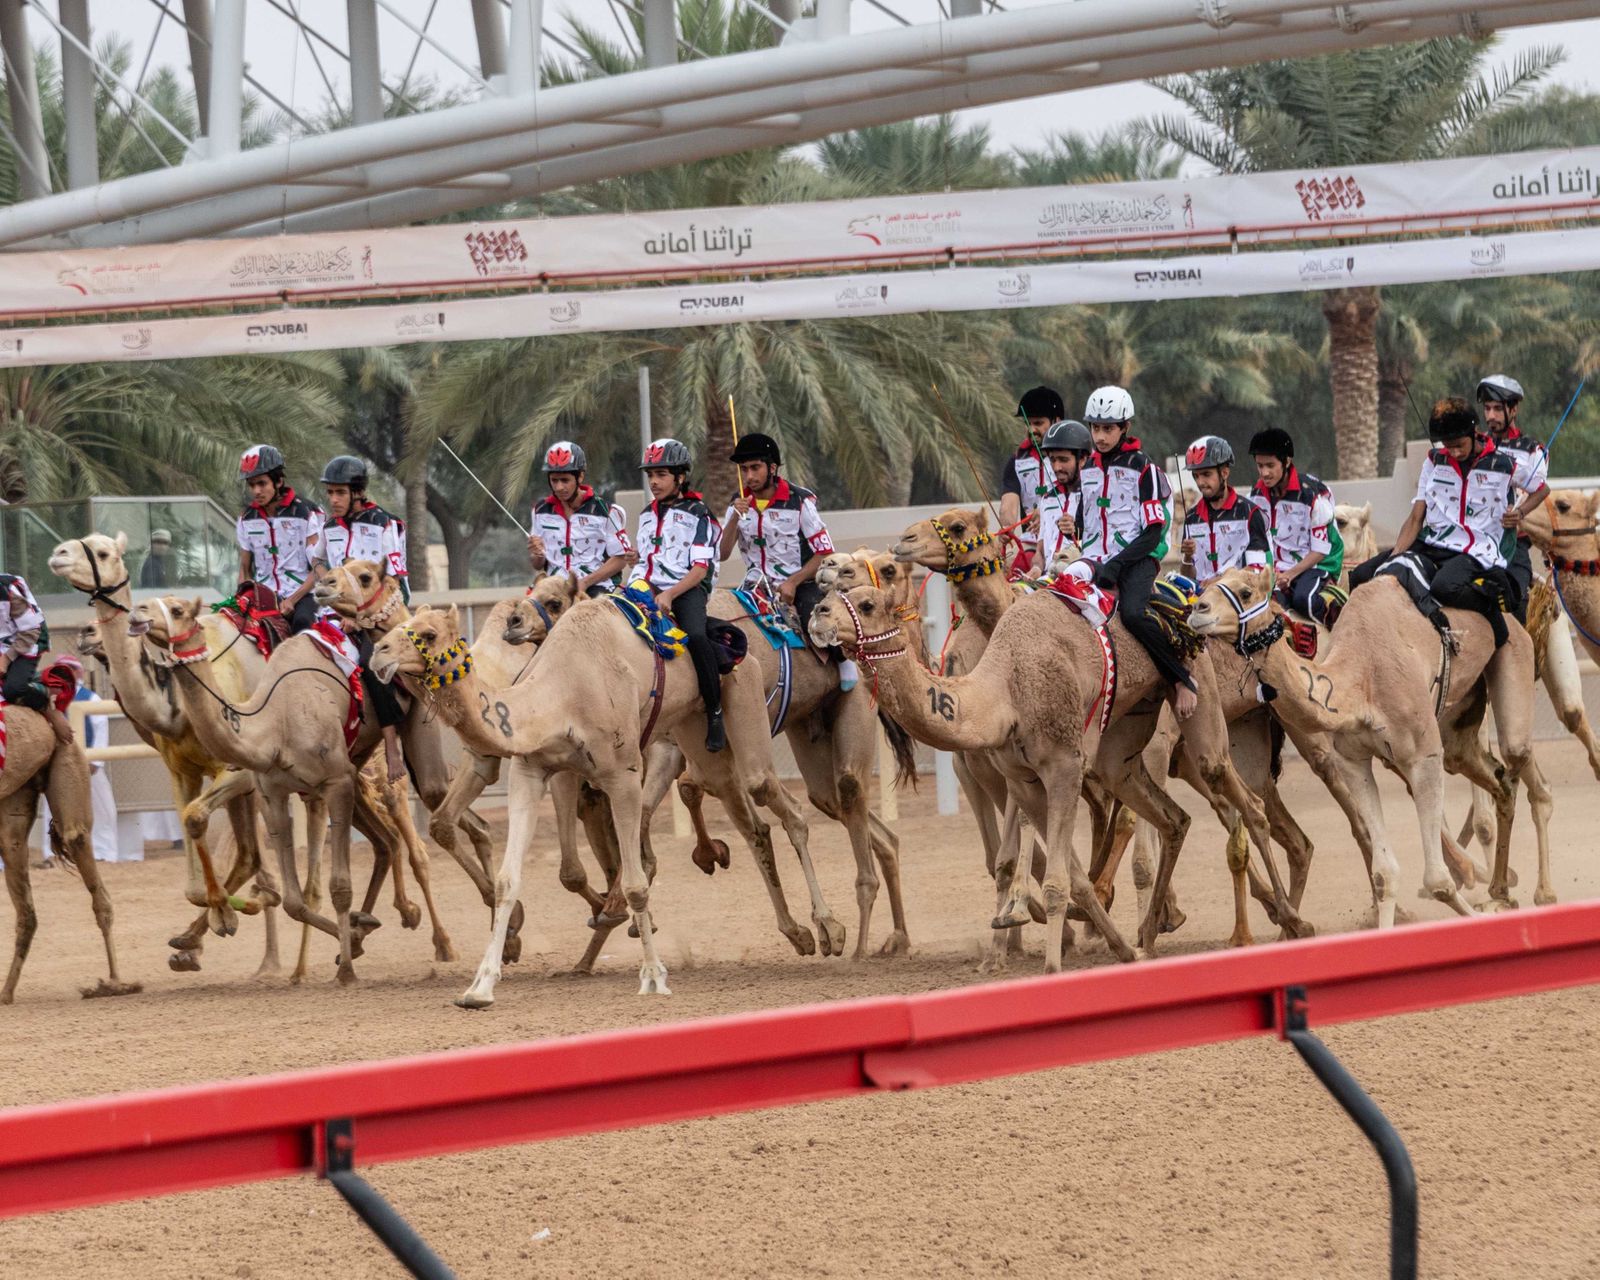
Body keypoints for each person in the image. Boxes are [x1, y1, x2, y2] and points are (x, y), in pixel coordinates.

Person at [1349, 397, 1519, 647]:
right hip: (1434, 543)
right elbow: (1417, 517)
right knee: (1361, 575)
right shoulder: (1433, 461)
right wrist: (1395, 555)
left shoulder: (1503, 465)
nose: (1454, 452)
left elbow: (1539, 490)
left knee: (1444, 588)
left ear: (1474, 433)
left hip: (1474, 550)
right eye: (1448, 446)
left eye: (1459, 445)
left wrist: (1520, 513)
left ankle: (1489, 604)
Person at [1078, 386, 1196, 718]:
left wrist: (1118, 564)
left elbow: (1154, 531)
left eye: (1108, 429)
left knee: (1131, 613)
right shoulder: (1087, 468)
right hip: (1096, 559)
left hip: (1138, 557)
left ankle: (1180, 677)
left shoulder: (1143, 469)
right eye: (1095, 428)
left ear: (1125, 427)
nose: (1100, 436)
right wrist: (1070, 525)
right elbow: (1089, 518)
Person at [718, 432, 859, 691]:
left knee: (816, 615)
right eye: (744, 469)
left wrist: (793, 582)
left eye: (755, 468)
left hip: (799, 583)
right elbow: (722, 553)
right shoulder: (737, 503)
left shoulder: (800, 501)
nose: (749, 476)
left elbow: (824, 552)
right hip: (753, 586)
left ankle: (843, 661)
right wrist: (734, 519)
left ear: (772, 468)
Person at [313, 454, 410, 782]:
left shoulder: (383, 523)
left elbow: (396, 579)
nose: (333, 500)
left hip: (373, 619)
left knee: (372, 666)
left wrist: (360, 616)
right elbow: (317, 562)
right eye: (330, 493)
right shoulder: (328, 528)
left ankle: (391, 745)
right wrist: (323, 576)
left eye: (339, 493)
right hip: (330, 617)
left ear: (357, 492)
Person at [627, 438, 727, 753]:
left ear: (680, 477)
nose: (654, 482)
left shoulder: (700, 513)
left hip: (686, 590)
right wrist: (629, 587)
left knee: (696, 636)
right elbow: (644, 561)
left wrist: (670, 593)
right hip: (645, 587)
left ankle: (714, 711)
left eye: (661, 475)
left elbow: (700, 569)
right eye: (650, 475)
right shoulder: (645, 514)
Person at [1248, 428, 1343, 625]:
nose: (1264, 473)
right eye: (1259, 466)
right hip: (1278, 570)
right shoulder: (1256, 495)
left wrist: (1290, 575)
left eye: (1270, 465)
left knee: (1304, 600)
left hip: (1318, 564)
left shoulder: (1310, 495)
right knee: (1267, 608)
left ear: (1287, 462)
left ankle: (1340, 623)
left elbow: (1320, 551)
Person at [1476, 374, 1550, 622]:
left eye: (1498, 409)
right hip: (1474, 537)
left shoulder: (1532, 449)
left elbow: (1541, 489)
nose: (1491, 416)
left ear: (1514, 409)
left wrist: (1518, 514)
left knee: (1516, 600)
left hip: (1513, 542)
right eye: (1487, 408)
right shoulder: (1476, 443)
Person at [236, 444, 323, 634]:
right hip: (265, 595)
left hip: (303, 595)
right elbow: (244, 567)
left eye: (262, 483)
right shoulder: (246, 519)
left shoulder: (305, 513)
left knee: (302, 625)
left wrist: (292, 600)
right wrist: (241, 597)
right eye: (252, 485)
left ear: (278, 482)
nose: (256, 491)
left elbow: (318, 568)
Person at [527, 441, 631, 597]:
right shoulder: (540, 511)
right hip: (554, 588)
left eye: (565, 480)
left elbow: (621, 558)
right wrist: (538, 554)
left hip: (595, 588)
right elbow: (537, 565)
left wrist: (586, 582)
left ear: (580, 476)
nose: (559, 487)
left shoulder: (606, 511)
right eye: (554, 480)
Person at [1179, 435, 1271, 588]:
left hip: (1238, 599)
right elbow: (1188, 577)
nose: (1200, 482)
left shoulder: (1250, 512)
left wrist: (1219, 582)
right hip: (1201, 599)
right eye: (1196, 476)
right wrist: (1187, 557)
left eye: (1206, 474)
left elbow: (1257, 570)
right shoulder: (1192, 517)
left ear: (1224, 473)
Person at [999, 385, 1066, 575]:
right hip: (1030, 545)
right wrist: (1007, 526)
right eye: (1028, 423)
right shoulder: (1016, 461)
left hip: (1069, 544)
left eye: (1037, 423)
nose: (1031, 429)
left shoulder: (1076, 457)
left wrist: (1045, 511)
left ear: (1056, 421)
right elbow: (1008, 504)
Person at [0, 572, 72, 744]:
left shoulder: (7, 590)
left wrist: (6, 660)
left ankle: (47, 706)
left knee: (13, 689)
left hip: (28, 638)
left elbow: (30, 630)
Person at [1031, 418, 1093, 573]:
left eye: (1064, 460)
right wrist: (1036, 568)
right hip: (1048, 577)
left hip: (1080, 578)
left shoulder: (1094, 496)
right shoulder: (1047, 499)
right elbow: (1040, 551)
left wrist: (1077, 531)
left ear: (1083, 460)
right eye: (1053, 460)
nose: (1057, 467)